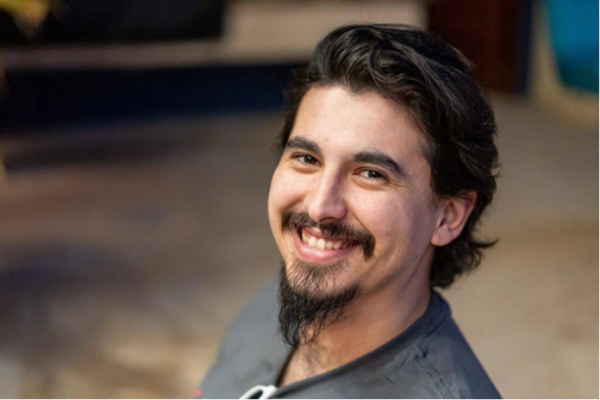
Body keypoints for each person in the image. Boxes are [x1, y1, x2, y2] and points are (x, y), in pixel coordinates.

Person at [199, 24, 501, 399]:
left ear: (448, 216)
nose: (319, 206)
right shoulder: (279, 298)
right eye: (307, 158)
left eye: (371, 174)